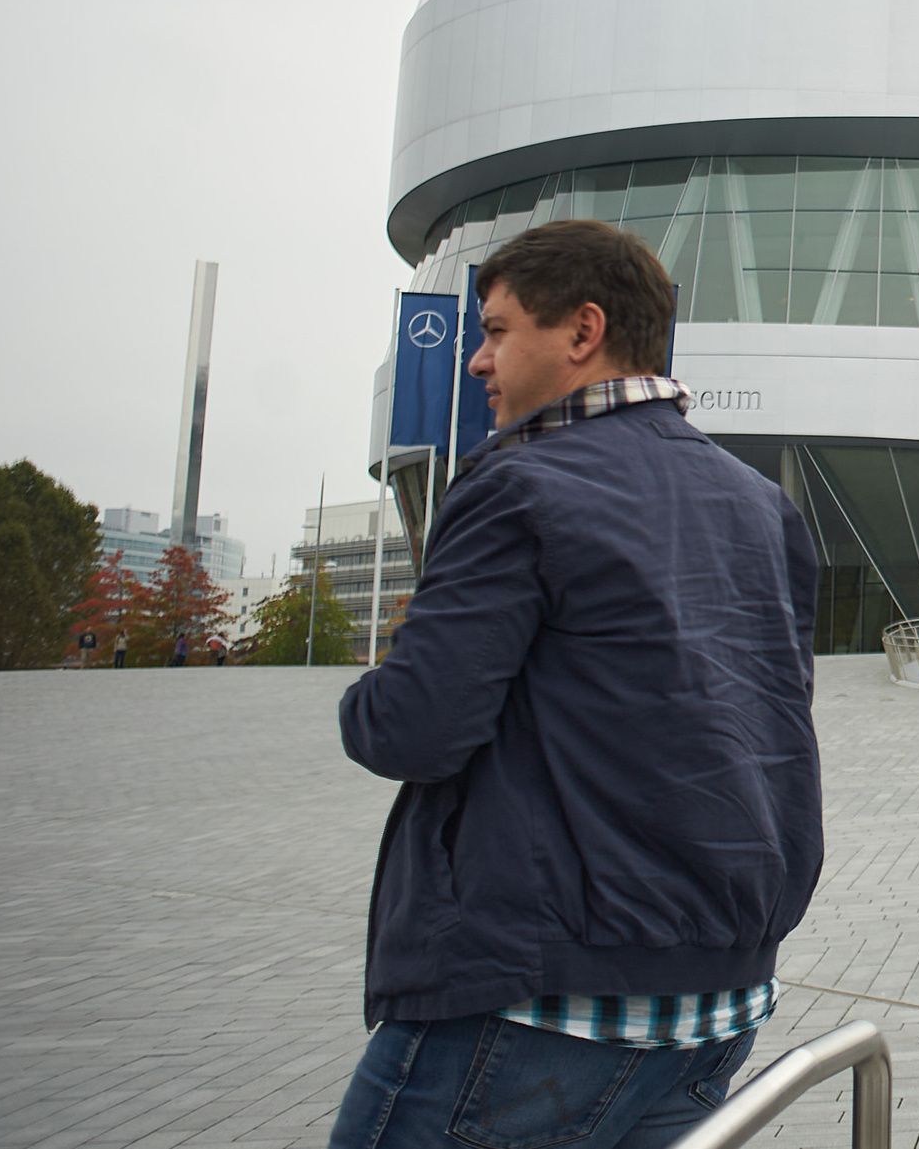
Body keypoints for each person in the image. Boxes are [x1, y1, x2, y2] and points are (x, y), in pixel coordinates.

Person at [328, 220, 824, 1149]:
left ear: (582, 331)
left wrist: (380, 680)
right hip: (721, 994)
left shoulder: (520, 485)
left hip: (540, 996)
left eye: (498, 329)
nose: (478, 360)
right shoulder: (762, 504)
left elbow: (410, 729)